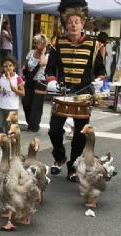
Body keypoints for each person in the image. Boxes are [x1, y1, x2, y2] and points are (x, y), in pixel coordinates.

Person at [45, 0, 106, 182]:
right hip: (63, 94)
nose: (73, 24)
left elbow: (101, 70)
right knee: (54, 130)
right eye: (70, 21)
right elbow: (50, 69)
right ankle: (59, 155)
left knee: (80, 134)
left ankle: (72, 166)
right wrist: (52, 81)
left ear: (82, 24)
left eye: (77, 21)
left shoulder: (94, 45)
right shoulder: (57, 43)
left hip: (83, 95)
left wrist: (98, 80)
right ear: (66, 23)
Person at [0, 56, 25, 139]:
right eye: (5, 66)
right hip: (1, 106)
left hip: (12, 107)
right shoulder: (0, 78)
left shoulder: (18, 79)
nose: (8, 68)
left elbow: (23, 93)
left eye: (10, 65)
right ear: (3, 68)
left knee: (11, 129)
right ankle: (1, 141)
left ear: (14, 66)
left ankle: (10, 146)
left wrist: (15, 90)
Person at [22, 34, 48, 132]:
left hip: (39, 82)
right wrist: (23, 70)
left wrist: (43, 52)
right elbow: (26, 63)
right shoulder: (31, 52)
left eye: (40, 44)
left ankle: (34, 126)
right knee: (26, 102)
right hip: (29, 80)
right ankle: (30, 122)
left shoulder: (46, 55)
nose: (37, 46)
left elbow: (42, 63)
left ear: (44, 44)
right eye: (36, 43)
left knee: (36, 105)